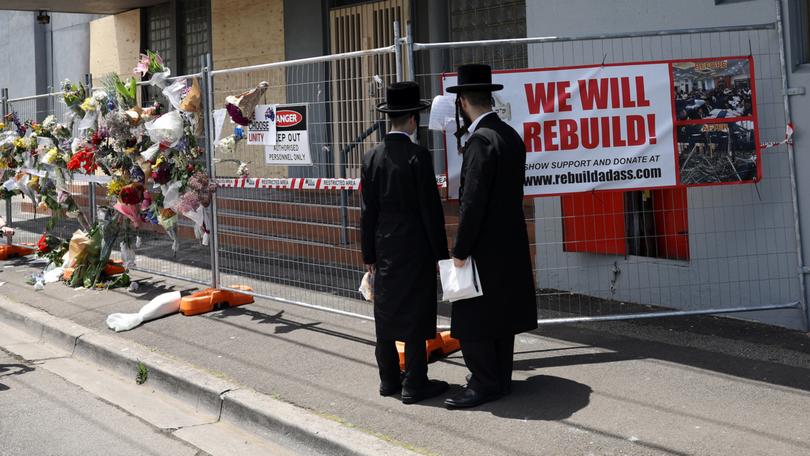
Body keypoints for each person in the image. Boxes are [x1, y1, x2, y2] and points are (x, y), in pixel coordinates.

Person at [443, 64, 538, 409]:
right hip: (510, 239)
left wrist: (461, 248)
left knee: (474, 316)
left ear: (464, 101)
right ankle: (500, 379)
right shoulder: (510, 135)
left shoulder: (480, 141)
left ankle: (483, 382)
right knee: (502, 313)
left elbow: (473, 202)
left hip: (484, 243)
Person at [360, 81, 449, 404]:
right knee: (415, 312)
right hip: (416, 245)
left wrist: (368, 252)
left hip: (384, 246)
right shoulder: (418, 156)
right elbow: (430, 210)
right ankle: (415, 382)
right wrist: (441, 255)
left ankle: (388, 380)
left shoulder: (371, 158)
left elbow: (367, 212)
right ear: (412, 119)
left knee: (385, 312)